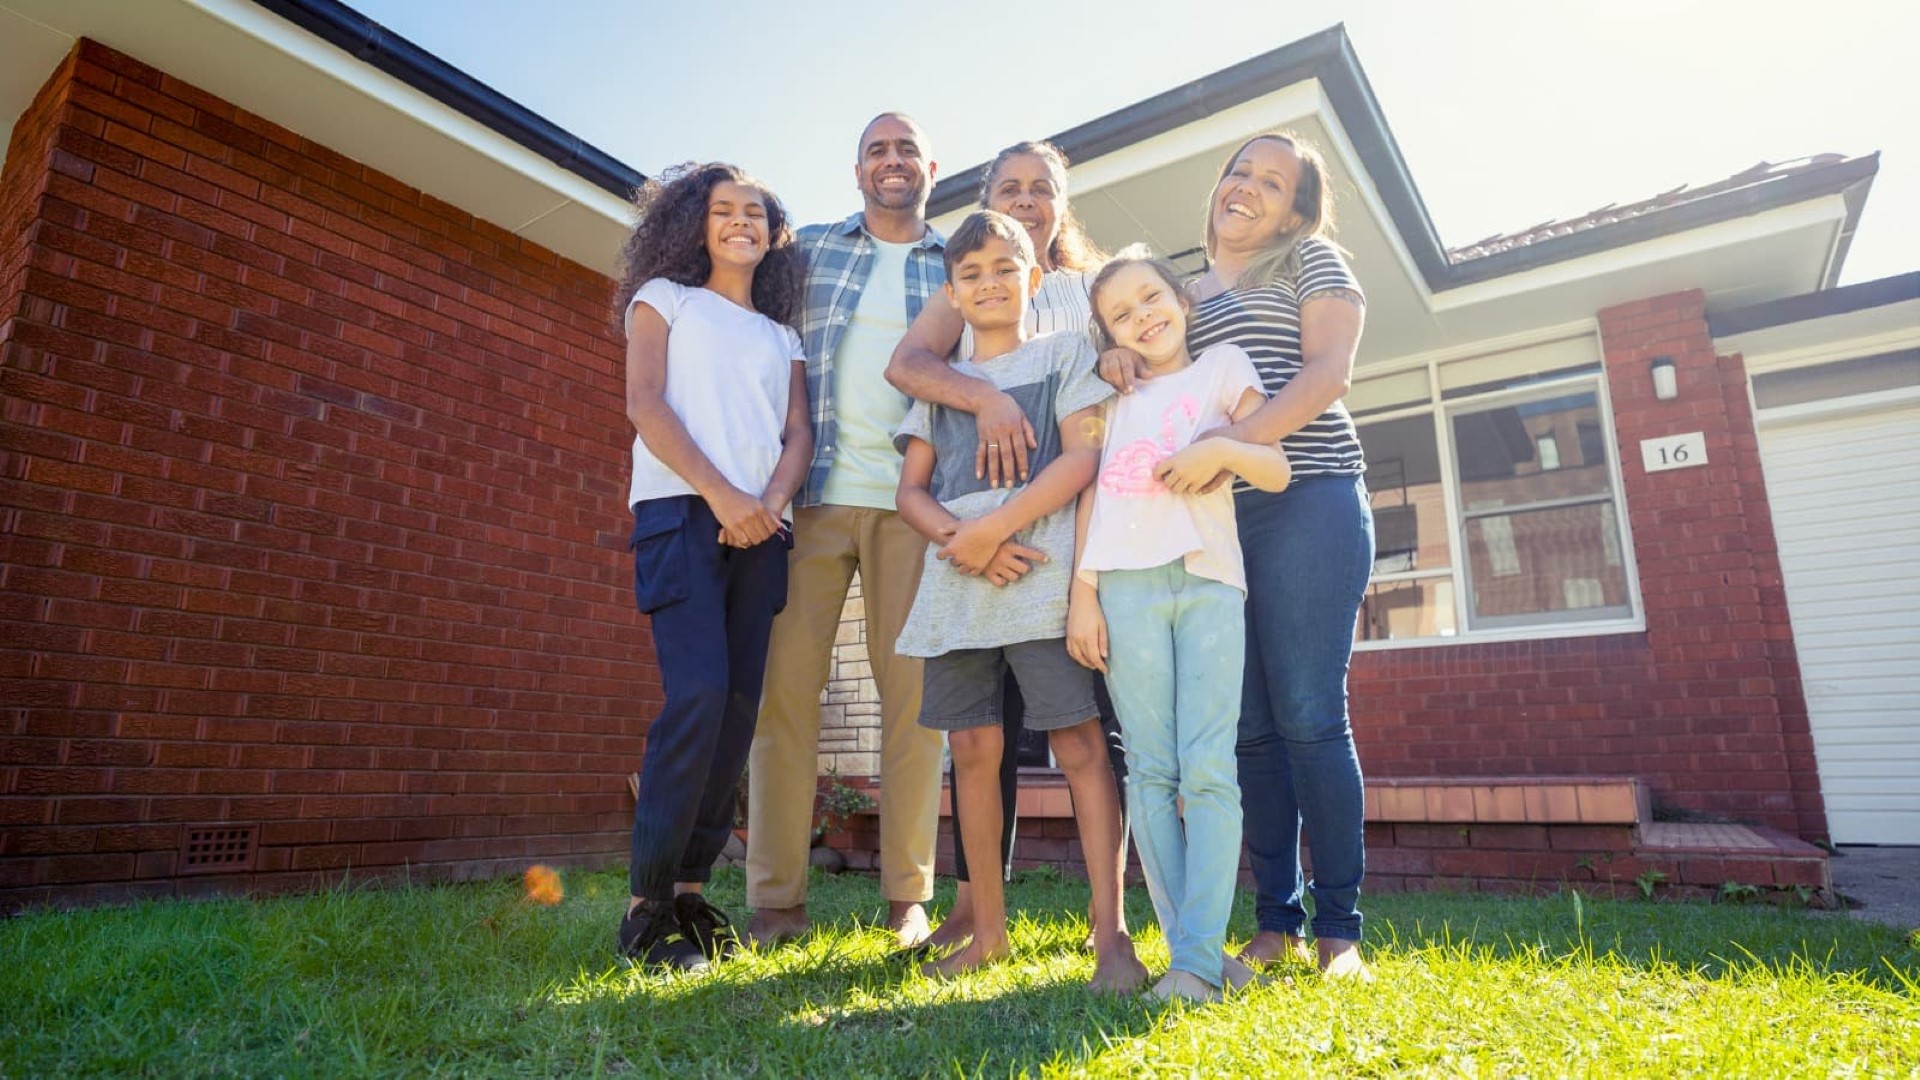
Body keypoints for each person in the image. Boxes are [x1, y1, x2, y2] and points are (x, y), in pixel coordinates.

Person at [1100, 132, 1374, 979]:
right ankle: (1272, 923)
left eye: (1273, 181)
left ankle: (1340, 933)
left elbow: (1327, 374)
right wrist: (1114, 356)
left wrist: (1228, 442)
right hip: (1209, 528)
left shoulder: (1312, 261)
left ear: (1295, 208)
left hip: (1308, 499)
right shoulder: (1180, 286)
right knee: (1246, 732)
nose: (1247, 187)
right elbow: (1160, 355)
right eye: (1239, 171)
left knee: (1307, 714)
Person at [885, 140, 1129, 955]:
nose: (990, 284)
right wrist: (968, 541)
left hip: (1043, 582)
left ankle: (1111, 934)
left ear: (1035, 278)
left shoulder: (1064, 354)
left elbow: (1084, 456)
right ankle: (986, 933)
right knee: (973, 750)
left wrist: (998, 527)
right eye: (972, 275)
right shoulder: (945, 377)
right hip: (957, 589)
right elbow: (910, 492)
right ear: (951, 292)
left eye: (1005, 270)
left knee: (1080, 745)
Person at [746, 113, 948, 949]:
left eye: (906, 149)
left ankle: (908, 896)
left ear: (930, 166)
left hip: (912, 499)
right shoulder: (809, 252)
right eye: (877, 150)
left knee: (913, 704)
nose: (892, 161)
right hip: (815, 497)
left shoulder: (955, 261)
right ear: (857, 168)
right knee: (785, 698)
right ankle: (775, 898)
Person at [1068, 252, 1290, 1003]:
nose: (1143, 317)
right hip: (1124, 587)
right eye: (1122, 313)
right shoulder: (1111, 389)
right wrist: (1083, 595)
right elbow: (1093, 494)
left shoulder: (1224, 365)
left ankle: (1193, 963)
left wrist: (1219, 448)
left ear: (1182, 299)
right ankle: (1194, 957)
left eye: (1151, 298)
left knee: (1208, 769)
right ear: (1108, 334)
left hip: (1208, 581)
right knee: (1152, 774)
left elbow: (1276, 468)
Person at [611, 163, 810, 970]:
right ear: (694, 223)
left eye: (755, 213)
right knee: (694, 698)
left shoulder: (781, 335)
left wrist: (764, 504)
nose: (740, 222)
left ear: (773, 234)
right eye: (722, 210)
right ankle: (643, 909)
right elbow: (645, 406)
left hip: (764, 525)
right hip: (683, 514)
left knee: (734, 714)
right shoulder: (664, 299)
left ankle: (690, 896)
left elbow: (798, 435)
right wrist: (725, 497)